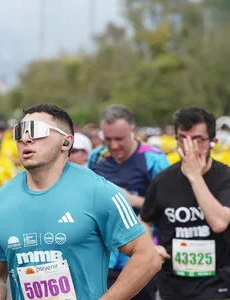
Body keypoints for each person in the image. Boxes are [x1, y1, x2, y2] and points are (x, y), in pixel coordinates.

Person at [0, 103, 161, 300]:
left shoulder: (98, 191)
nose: (26, 138)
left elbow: (148, 258)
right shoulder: (0, 200)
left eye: (36, 131)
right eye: (20, 132)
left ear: (66, 142)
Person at [140, 106, 230, 300]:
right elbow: (145, 219)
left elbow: (219, 222)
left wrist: (194, 176)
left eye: (198, 139)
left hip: (217, 285)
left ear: (213, 142)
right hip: (173, 285)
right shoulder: (163, 180)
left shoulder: (225, 177)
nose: (189, 146)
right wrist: (150, 247)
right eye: (183, 138)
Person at [87, 104, 169, 300]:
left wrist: (132, 200)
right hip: (104, 258)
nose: (114, 146)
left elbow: (168, 205)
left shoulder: (153, 159)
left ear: (132, 132)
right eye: (108, 139)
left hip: (140, 256)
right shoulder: (95, 158)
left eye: (119, 139)